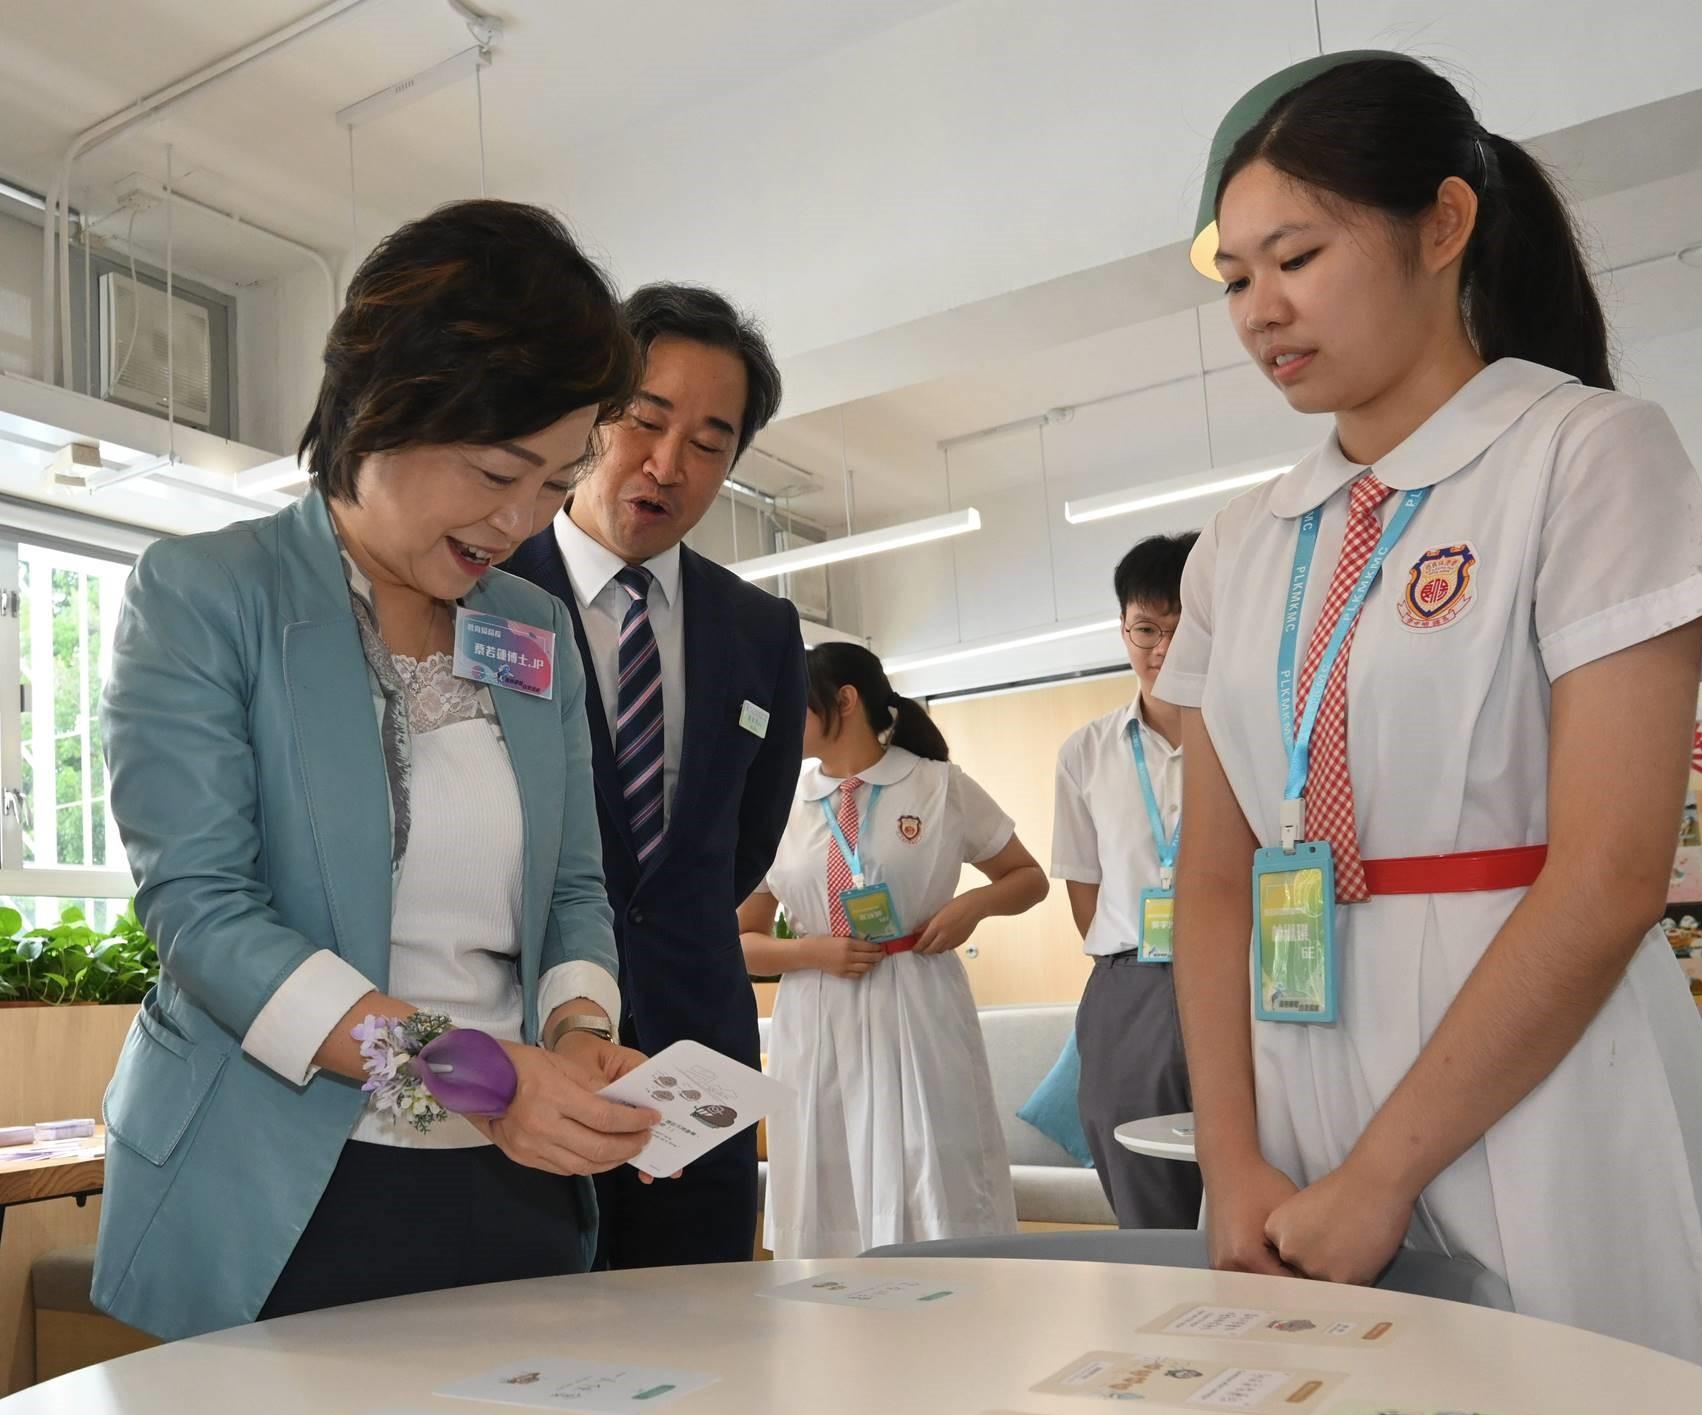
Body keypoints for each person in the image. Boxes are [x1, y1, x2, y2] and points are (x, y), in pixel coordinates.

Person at [1162, 54, 1702, 1415]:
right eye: (1232, 274)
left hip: (1541, 1074)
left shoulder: (1583, 452)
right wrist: (1235, 1154)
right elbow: (1219, 880)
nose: (1260, 310)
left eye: (1296, 256)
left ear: (1443, 224)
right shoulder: (1246, 544)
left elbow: (1612, 869)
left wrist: (1388, 1166)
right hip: (1299, 1084)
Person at [96, 200, 659, 1340]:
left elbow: (571, 890)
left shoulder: (532, 628)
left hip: (512, 1180)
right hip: (281, 1184)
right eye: (498, 470)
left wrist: (573, 1036)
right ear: (378, 408)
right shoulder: (211, 595)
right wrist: (479, 1079)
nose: (520, 519)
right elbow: (206, 918)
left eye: (556, 482)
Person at [502, 284, 807, 1268]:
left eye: (710, 442)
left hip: (696, 1063)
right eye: (646, 420)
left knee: (709, 1358)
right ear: (594, 415)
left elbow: (738, 849)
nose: (669, 465)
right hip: (526, 1061)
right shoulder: (489, 592)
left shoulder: (760, 632)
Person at [738, 643, 1048, 1257]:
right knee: (827, 1175)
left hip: (917, 995)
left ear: (845, 700)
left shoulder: (937, 786)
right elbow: (740, 943)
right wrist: (812, 953)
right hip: (817, 1013)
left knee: (929, 1168)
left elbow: (1028, 878)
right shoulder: (778, 801)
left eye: (794, 702)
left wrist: (972, 907)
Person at [1050, 532, 1203, 1227]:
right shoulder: (1085, 753)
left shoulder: (1254, 733)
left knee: (1258, 1165)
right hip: (1129, 978)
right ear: (1123, 628)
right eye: (1145, 629)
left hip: (1246, 971)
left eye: (1180, 628)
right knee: (1138, 1178)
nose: (1161, 649)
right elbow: (1084, 887)